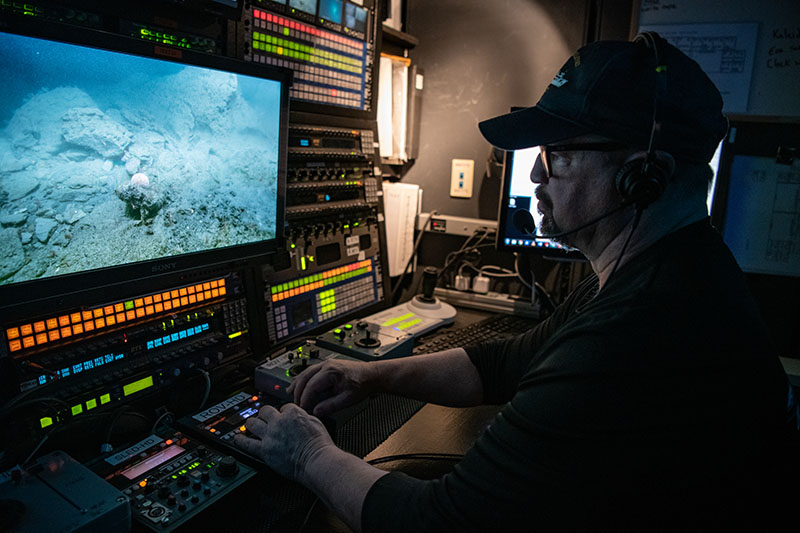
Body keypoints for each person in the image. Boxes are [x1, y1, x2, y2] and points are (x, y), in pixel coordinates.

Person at [235, 34, 793, 531]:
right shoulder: (663, 268)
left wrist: (308, 455)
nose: (533, 175)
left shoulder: (638, 330)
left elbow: (437, 522)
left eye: (557, 156)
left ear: (642, 178)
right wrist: (372, 377)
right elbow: (505, 363)